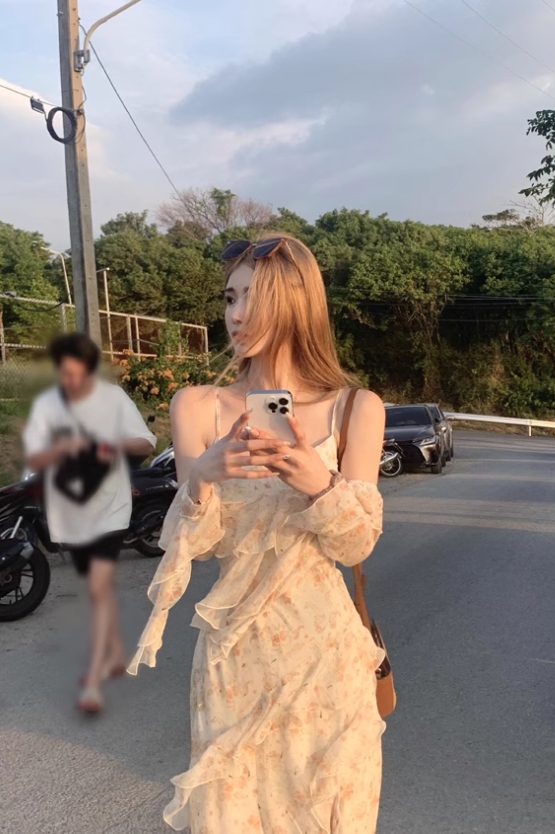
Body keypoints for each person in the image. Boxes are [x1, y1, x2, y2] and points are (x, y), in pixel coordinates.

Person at [129, 235, 386, 833]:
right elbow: (193, 548)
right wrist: (202, 477)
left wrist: (318, 482)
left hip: (327, 664)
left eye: (253, 298)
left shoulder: (356, 408)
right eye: (230, 298)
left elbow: (356, 546)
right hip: (234, 661)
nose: (236, 314)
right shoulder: (198, 406)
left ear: (297, 304)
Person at [22, 332, 156, 713]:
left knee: (97, 587)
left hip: (110, 508)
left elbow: (145, 443)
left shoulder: (113, 398)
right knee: (97, 588)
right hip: (71, 510)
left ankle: (94, 678)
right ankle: (115, 650)